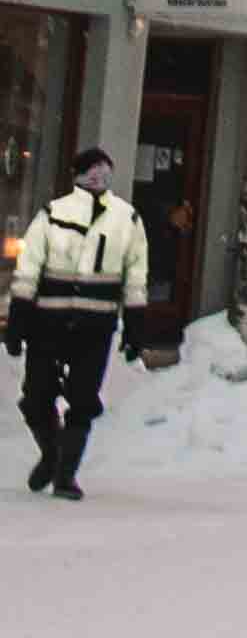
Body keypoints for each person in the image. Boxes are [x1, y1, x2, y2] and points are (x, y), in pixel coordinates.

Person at [12, 141, 148, 497]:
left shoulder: (127, 218)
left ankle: (65, 475)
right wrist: (18, 319)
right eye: (90, 171)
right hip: (48, 323)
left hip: (95, 326)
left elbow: (136, 278)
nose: (97, 177)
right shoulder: (52, 213)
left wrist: (135, 328)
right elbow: (28, 270)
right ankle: (53, 454)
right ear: (76, 176)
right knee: (36, 397)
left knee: (83, 399)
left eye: (102, 171)